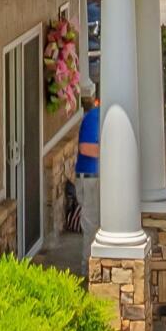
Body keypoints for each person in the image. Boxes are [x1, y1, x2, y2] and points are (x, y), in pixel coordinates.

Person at [74, 88, 103, 240]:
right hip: (90, 178)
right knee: (92, 228)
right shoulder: (94, 117)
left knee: (98, 227)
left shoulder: (103, 116)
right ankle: (88, 257)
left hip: (96, 178)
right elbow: (85, 148)